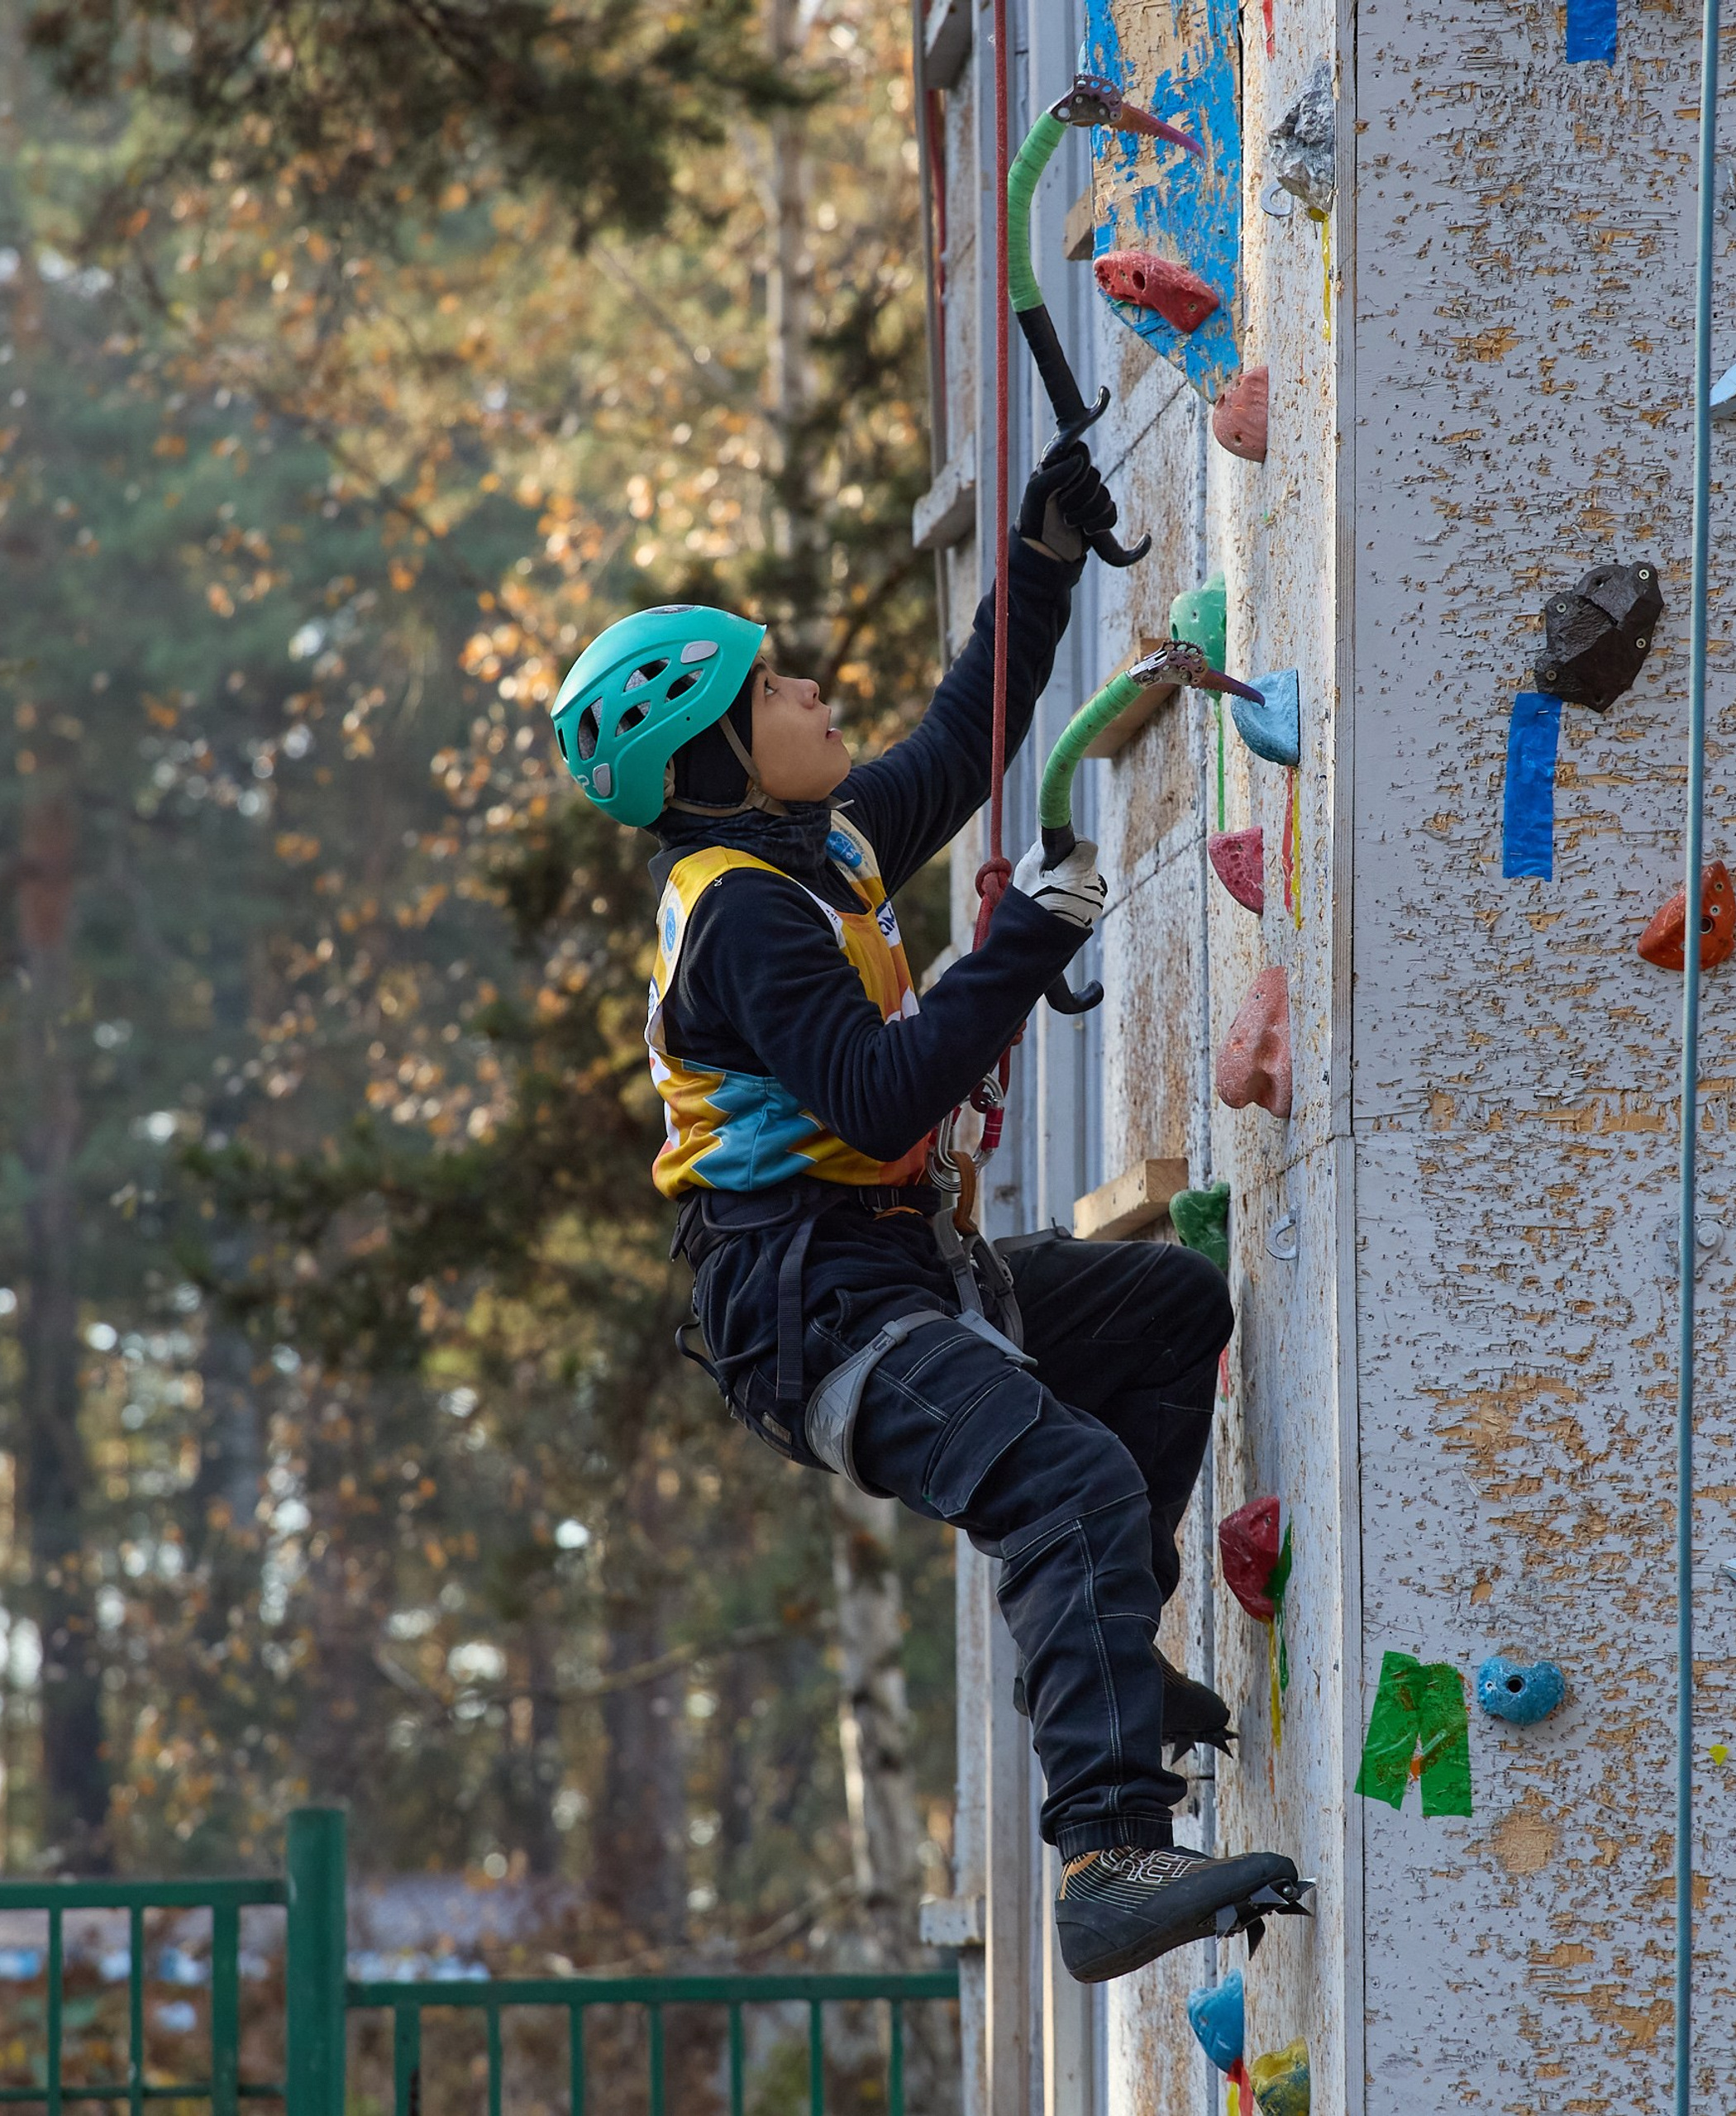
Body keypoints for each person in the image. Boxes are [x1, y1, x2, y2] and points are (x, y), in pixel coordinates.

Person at [548, 442, 1304, 1983]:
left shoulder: (808, 844)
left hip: (895, 1268)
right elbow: (879, 1095)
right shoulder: (742, 916)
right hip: (812, 1312)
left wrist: (1035, 559)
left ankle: (1118, 1663)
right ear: (713, 763)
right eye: (780, 693)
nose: (819, 698)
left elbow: (961, 748)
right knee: (1065, 1480)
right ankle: (1106, 1854)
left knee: (1167, 1314)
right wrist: (1021, 941)